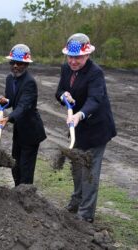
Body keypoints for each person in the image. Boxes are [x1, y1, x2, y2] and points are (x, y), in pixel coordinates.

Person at [55, 33, 116, 223]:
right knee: (76, 166)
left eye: (78, 57)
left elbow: (95, 99)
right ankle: (77, 200)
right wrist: (64, 96)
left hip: (96, 128)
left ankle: (86, 214)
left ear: (87, 55)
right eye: (70, 57)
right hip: (78, 129)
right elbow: (59, 92)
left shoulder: (95, 73)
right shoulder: (66, 68)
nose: (73, 61)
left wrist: (80, 115)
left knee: (89, 171)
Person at [0, 44, 46, 187]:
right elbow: (12, 100)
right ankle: (18, 193)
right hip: (19, 131)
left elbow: (23, 106)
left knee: (26, 169)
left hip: (31, 132)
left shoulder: (30, 82)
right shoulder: (9, 79)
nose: (15, 66)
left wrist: (8, 118)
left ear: (26, 64)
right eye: (12, 62)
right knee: (15, 165)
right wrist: (4, 100)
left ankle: (26, 197)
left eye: (19, 63)